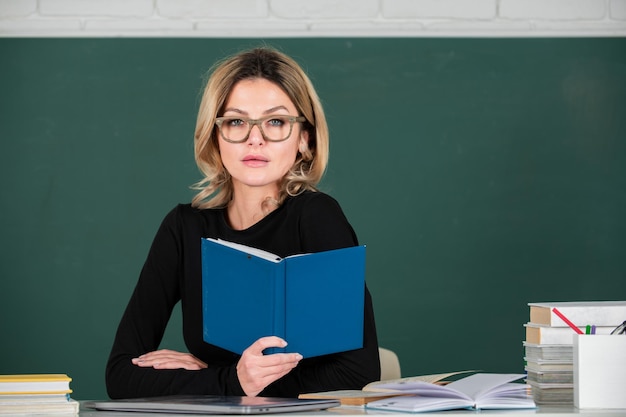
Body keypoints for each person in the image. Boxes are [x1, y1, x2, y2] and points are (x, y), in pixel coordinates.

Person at [105, 47, 380, 399]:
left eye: (276, 122)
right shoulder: (184, 227)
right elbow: (121, 376)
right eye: (236, 122)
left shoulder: (318, 217)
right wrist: (232, 381)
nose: (255, 139)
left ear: (304, 140)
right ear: (215, 136)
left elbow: (359, 372)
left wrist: (232, 382)